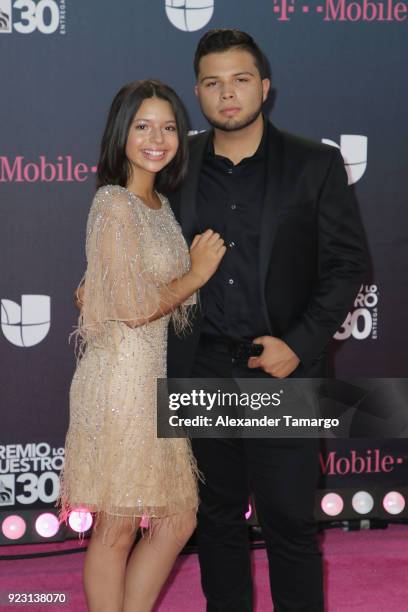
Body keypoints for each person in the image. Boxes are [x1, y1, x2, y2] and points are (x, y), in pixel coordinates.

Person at [166, 30, 368, 611]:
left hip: (281, 370)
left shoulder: (316, 163)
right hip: (200, 368)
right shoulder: (175, 166)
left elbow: (346, 263)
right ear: (198, 94)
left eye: (240, 79)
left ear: (265, 87)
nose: (227, 94)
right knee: (217, 521)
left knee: (290, 523)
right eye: (212, 83)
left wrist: (298, 344)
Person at [58, 79, 226, 612]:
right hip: (119, 383)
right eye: (143, 126)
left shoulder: (156, 203)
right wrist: (196, 275)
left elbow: (113, 287)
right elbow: (134, 308)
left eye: (169, 126)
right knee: (119, 525)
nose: (158, 138)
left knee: (178, 519)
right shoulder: (114, 201)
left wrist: (96, 292)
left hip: (151, 380)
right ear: (121, 133)